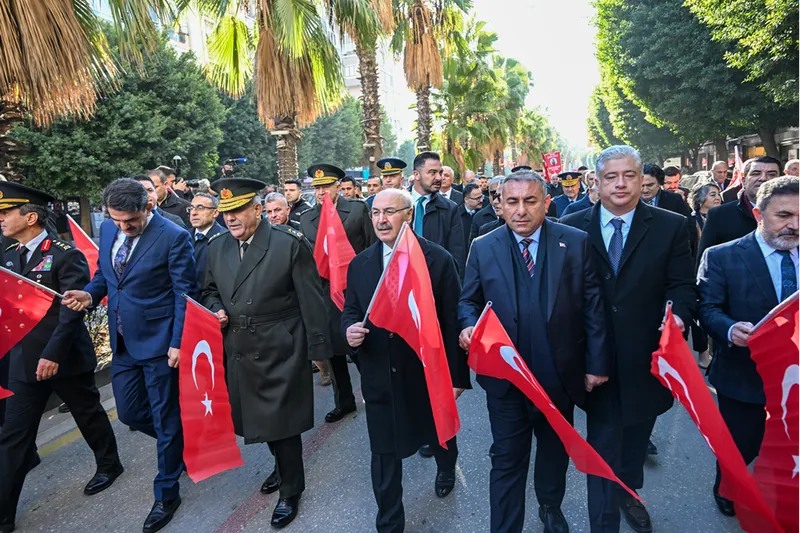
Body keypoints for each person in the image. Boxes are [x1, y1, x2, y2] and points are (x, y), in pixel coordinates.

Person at [458, 169, 610, 533]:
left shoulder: (574, 241)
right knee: (507, 458)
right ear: (500, 206)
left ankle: (549, 506)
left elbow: (593, 305)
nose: (521, 210)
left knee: (555, 449)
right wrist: (467, 325)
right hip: (506, 378)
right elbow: (469, 301)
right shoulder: (483, 246)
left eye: (530, 201)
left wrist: (596, 364)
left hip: (559, 375)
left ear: (546, 202)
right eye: (512, 202)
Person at [560, 145, 696, 533]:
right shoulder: (571, 224)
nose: (620, 184)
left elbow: (682, 287)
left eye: (629, 175)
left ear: (641, 179)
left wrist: (679, 316)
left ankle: (629, 492)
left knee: (635, 436)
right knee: (602, 441)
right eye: (611, 177)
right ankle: (604, 520)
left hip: (646, 357)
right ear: (597, 182)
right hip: (591, 359)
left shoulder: (671, 226)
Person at [62, 178, 196, 533]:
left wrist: (179, 341)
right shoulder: (108, 230)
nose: (124, 227)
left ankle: (167, 493)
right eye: (117, 220)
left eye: (130, 221)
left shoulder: (173, 236)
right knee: (131, 413)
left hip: (160, 343)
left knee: (165, 418)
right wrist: (90, 294)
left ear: (147, 207)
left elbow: (185, 293)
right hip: (123, 343)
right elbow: (105, 277)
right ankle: (181, 447)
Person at [201, 178, 330, 528]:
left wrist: (319, 352)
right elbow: (209, 289)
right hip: (239, 347)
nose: (230, 218)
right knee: (255, 420)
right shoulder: (217, 247)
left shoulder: (288, 243)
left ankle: (291, 490)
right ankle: (280, 466)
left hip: (281, 346)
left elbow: (311, 299)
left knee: (283, 424)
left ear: (258, 209)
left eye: (238, 210)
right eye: (225, 212)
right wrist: (215, 308)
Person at [343, 189, 470, 532]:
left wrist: (458, 377)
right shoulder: (361, 264)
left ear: (408, 215)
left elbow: (452, 318)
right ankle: (389, 522)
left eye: (389, 212)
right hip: (380, 371)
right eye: (375, 213)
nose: (381, 220)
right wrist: (350, 332)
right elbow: (351, 312)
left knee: (438, 430)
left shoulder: (437, 259)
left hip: (425, 370)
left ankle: (446, 466)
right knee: (384, 451)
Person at [0, 183, 122, 533]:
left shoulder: (65, 253)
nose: (1, 219)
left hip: (63, 357)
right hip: (24, 360)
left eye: (6, 213)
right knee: (14, 434)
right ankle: (4, 514)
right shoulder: (8, 253)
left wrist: (52, 354)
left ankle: (109, 465)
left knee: (88, 413)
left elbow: (71, 313)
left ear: (31, 216)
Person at [697, 175, 800, 517]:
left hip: (795, 378)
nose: (793, 225)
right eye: (784, 216)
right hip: (744, 377)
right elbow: (706, 308)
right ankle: (727, 487)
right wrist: (729, 329)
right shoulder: (723, 256)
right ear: (758, 215)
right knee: (740, 447)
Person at [299, 164, 375, 424]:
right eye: (317, 187)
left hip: (355, 291)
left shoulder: (356, 209)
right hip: (323, 293)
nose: (321, 192)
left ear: (338, 186)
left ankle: (375, 393)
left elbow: (371, 246)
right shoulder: (307, 218)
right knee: (333, 352)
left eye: (326, 186)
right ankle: (344, 402)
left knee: (362, 347)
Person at [696, 156, 782, 267]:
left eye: (771, 174)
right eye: (756, 173)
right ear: (743, 180)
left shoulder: (795, 215)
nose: (763, 178)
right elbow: (704, 265)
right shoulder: (719, 215)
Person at [410, 152, 466, 278]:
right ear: (416, 175)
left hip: (437, 282)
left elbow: (457, 255)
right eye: (432, 172)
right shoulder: (398, 204)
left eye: (440, 172)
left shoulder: (450, 209)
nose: (439, 178)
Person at [687, 182, 721, 370]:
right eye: (712, 194)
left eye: (718, 194)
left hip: (719, 273)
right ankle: (703, 352)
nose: (717, 198)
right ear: (700, 199)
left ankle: (717, 351)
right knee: (700, 312)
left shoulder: (724, 218)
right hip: (696, 273)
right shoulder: (691, 221)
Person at [188, 192, 225, 282]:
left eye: (200, 208)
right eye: (191, 208)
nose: (193, 213)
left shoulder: (224, 239)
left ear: (215, 212)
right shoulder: (184, 236)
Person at [469, 177, 503, 242]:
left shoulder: (517, 218)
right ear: (489, 194)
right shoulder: (479, 217)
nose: (496, 198)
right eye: (493, 193)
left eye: (500, 194)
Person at [460, 183, 484, 252]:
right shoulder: (456, 215)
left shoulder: (484, 215)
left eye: (481, 197)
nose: (481, 200)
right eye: (477, 198)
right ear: (466, 199)